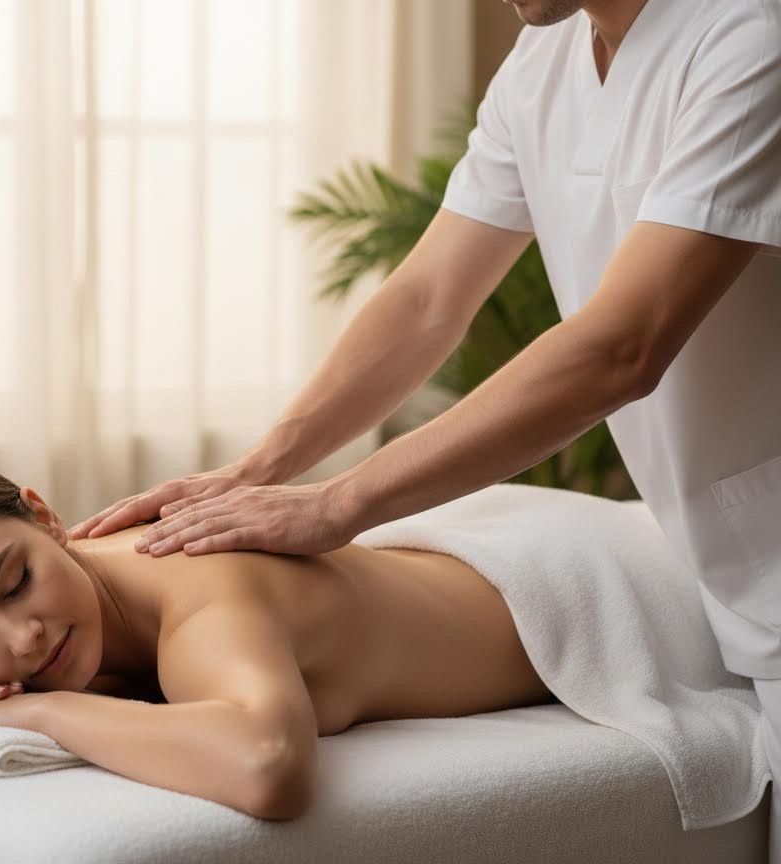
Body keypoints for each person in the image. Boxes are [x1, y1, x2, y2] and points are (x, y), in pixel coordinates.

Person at [71, 0, 781, 855]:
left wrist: (339, 506)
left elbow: (622, 345)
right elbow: (426, 299)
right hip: (740, 568)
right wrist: (260, 469)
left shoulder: (751, 36)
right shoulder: (541, 64)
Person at [0, 454, 561, 819]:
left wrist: (33, 715)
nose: (24, 635)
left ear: (47, 520)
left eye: (17, 582)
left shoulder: (198, 588)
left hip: (569, 577)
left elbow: (269, 766)